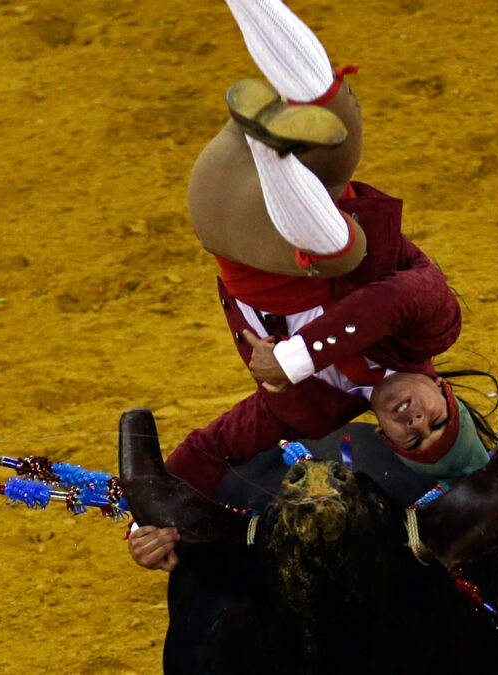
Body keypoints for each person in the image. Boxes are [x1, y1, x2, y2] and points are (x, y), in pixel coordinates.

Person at [130, 0, 471, 571]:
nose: (417, 423)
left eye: (411, 439)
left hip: (230, 215)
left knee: (341, 251)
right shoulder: (435, 329)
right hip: (305, 196)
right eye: (438, 420)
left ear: (385, 434)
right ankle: (272, 133)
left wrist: (147, 521)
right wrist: (295, 358)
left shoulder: (313, 412)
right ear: (445, 394)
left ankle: (272, 148)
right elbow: (393, 299)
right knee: (338, 116)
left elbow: (212, 448)